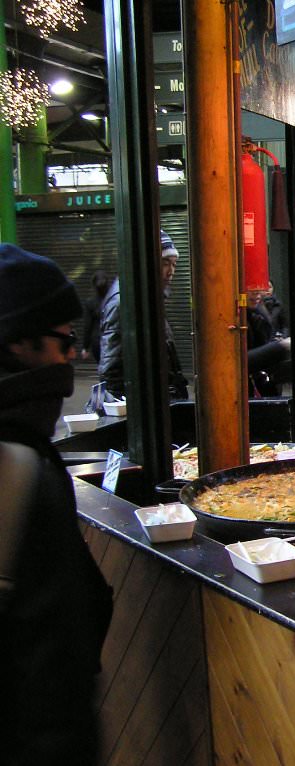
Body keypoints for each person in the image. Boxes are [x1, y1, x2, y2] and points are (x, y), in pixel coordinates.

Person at [0, 244, 113, 765]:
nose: (72, 358)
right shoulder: (18, 468)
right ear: (18, 344)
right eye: (64, 342)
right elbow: (51, 656)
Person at [98, 230, 188, 400]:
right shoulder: (125, 303)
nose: (171, 271)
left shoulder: (148, 297)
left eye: (174, 264)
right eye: (165, 263)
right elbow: (111, 372)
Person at [246, 287, 290, 397]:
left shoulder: (259, 313)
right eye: (250, 288)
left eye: (259, 288)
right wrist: (279, 347)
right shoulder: (247, 315)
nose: (256, 293)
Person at [80, 269, 111, 360]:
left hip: (97, 342)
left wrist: (85, 347)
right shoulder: (115, 301)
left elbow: (88, 326)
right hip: (113, 341)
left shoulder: (90, 303)